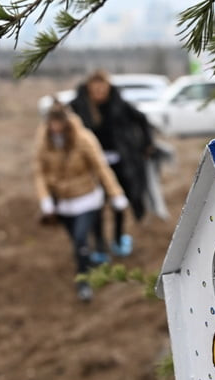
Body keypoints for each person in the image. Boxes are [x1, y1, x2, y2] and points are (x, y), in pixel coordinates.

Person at [34, 103, 129, 302]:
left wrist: (115, 193)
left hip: (86, 200)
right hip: (62, 204)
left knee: (79, 239)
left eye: (58, 123)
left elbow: (100, 167)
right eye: (52, 123)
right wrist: (45, 199)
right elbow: (40, 172)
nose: (55, 127)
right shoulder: (44, 142)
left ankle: (83, 283)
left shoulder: (83, 138)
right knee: (77, 242)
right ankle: (87, 260)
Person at [68, 70, 154, 259]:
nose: (99, 92)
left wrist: (146, 144)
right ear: (89, 88)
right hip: (92, 166)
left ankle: (118, 238)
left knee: (119, 201)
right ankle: (99, 244)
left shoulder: (118, 103)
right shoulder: (78, 107)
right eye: (95, 89)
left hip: (120, 163)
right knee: (96, 205)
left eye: (102, 88)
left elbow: (142, 119)